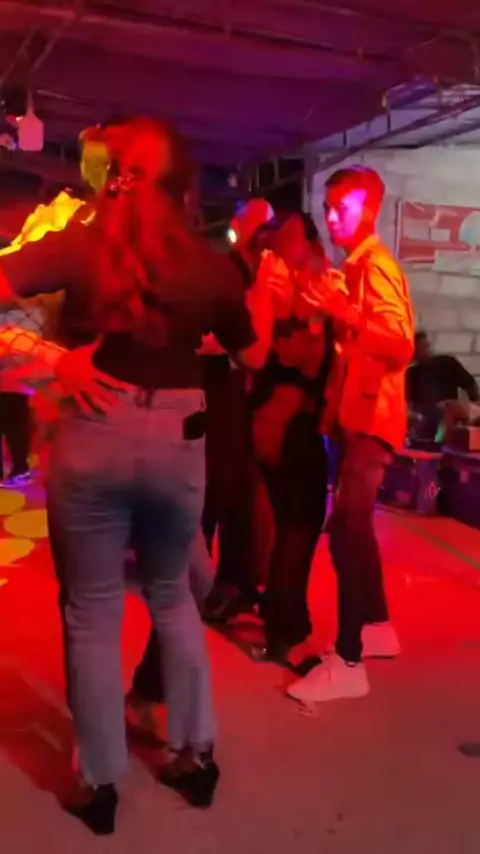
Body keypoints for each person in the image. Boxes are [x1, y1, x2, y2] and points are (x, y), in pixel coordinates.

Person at [0, 117, 273, 833]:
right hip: (179, 438)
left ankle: (99, 783)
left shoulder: (83, 243)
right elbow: (251, 356)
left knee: (91, 610)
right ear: (184, 186)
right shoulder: (210, 264)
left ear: (117, 179)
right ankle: (195, 757)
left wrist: (46, 360)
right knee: (173, 596)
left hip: (94, 426)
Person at [287, 165, 414, 703]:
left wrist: (349, 314)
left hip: (372, 418)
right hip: (356, 415)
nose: (332, 216)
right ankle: (376, 627)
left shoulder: (376, 267)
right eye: (328, 206)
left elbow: (401, 343)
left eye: (343, 206)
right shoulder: (355, 267)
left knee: (345, 528)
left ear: (371, 210)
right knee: (353, 528)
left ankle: (349, 660)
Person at [250, 213, 334, 672]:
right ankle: (287, 633)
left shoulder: (272, 286)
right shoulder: (295, 293)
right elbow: (303, 355)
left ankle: (284, 624)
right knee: (299, 527)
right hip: (288, 418)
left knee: (291, 524)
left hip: (272, 417)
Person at [201, 198, 275, 622]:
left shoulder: (267, 274)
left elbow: (258, 349)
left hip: (253, 397)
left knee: (237, 492)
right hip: (222, 390)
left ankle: (234, 582)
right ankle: (205, 579)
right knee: (216, 486)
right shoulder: (229, 270)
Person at [406, 330, 479, 444]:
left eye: (425, 345)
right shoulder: (411, 374)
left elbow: (470, 385)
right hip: (426, 418)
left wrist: (474, 409)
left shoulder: (446, 362)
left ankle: (439, 440)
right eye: (419, 347)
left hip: (450, 414)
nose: (424, 349)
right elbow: (408, 404)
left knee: (449, 409)